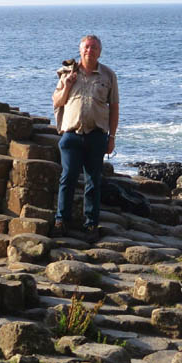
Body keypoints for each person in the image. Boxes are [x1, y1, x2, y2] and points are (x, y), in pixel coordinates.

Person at [52, 34, 119, 239]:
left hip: (97, 135)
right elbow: (57, 102)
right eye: (87, 47)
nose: (90, 50)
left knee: (93, 181)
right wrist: (68, 86)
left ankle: (91, 224)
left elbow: (114, 107)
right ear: (80, 51)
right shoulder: (67, 73)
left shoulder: (108, 76)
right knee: (68, 177)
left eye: (94, 48)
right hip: (71, 135)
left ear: (100, 52)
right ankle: (61, 221)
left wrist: (112, 137)